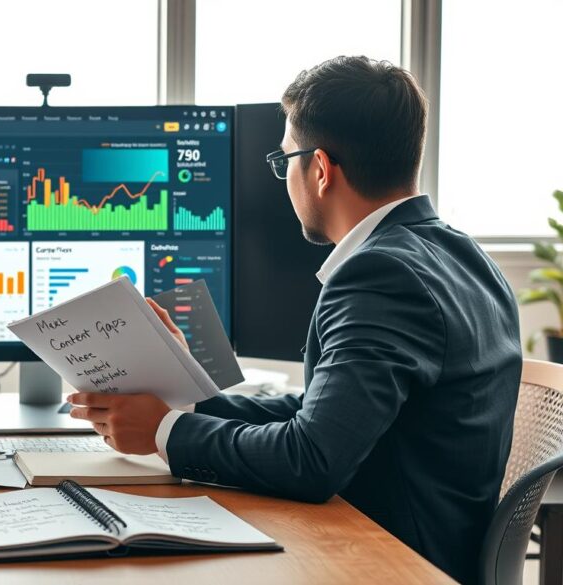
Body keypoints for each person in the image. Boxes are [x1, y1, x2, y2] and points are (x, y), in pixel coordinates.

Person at [68, 56, 522, 584]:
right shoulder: (464, 256)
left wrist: (165, 431)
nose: (284, 177)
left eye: (285, 160)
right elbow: (323, 410)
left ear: (322, 169)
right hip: (414, 544)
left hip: (391, 563)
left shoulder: (380, 274)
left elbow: (311, 459)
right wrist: (188, 399)